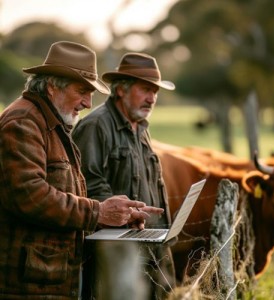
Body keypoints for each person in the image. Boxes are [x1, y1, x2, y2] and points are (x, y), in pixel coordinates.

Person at [0, 41, 164, 300]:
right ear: (53, 85)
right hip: (29, 284)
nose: (88, 103)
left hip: (46, 277)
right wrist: (100, 211)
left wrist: (117, 216)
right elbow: (28, 195)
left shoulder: (51, 123)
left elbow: (66, 194)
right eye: (82, 91)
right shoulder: (24, 122)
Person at [72, 52, 177, 299]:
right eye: (145, 90)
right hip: (111, 257)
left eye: (155, 92)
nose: (152, 98)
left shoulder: (140, 128)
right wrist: (126, 215)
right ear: (121, 90)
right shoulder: (96, 126)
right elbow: (86, 185)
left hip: (150, 249)